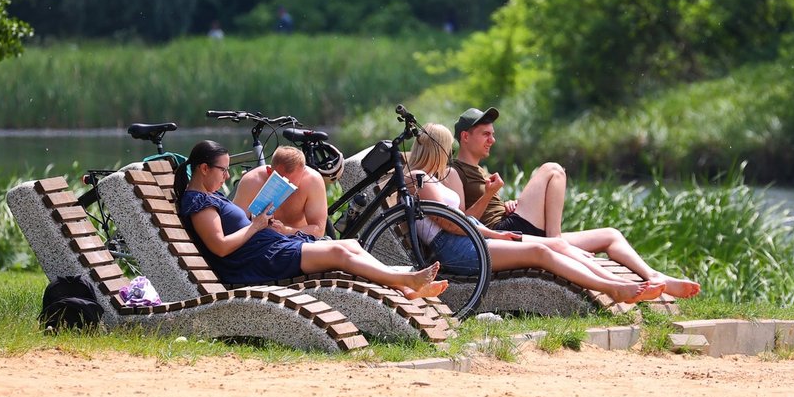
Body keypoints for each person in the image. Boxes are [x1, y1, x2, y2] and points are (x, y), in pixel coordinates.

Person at [450, 108, 701, 299]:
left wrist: (506, 203)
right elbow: (462, 221)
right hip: (504, 235)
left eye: (493, 134)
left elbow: (488, 206)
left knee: (610, 235)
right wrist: (489, 195)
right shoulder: (455, 172)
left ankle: (654, 276)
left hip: (518, 227)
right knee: (553, 170)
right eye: (485, 134)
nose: (492, 140)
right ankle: (564, 245)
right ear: (465, 136)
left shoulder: (481, 170)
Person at [408, 124, 665, 304]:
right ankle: (613, 288)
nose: (448, 155)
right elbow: (450, 224)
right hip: (456, 248)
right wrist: (489, 233)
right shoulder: (419, 178)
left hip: (470, 238)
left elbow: (458, 220)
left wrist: (494, 233)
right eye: (446, 148)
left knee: (554, 244)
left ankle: (615, 282)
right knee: (541, 252)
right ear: (437, 149)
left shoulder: (432, 178)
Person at [174, 140, 447, 299]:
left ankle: (405, 282)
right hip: (258, 261)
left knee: (350, 244)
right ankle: (406, 282)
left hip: (268, 248)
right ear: (204, 168)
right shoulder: (199, 202)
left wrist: (261, 225)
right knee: (338, 251)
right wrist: (256, 226)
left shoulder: (210, 197)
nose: (225, 177)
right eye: (222, 170)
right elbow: (220, 246)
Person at [232, 146, 328, 237]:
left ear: (303, 172)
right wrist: (256, 226)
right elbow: (234, 225)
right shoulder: (251, 180)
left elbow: (318, 230)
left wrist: (285, 231)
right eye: (281, 182)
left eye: (291, 185)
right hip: (260, 240)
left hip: (298, 240)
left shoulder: (312, 181)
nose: (286, 189)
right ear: (269, 171)